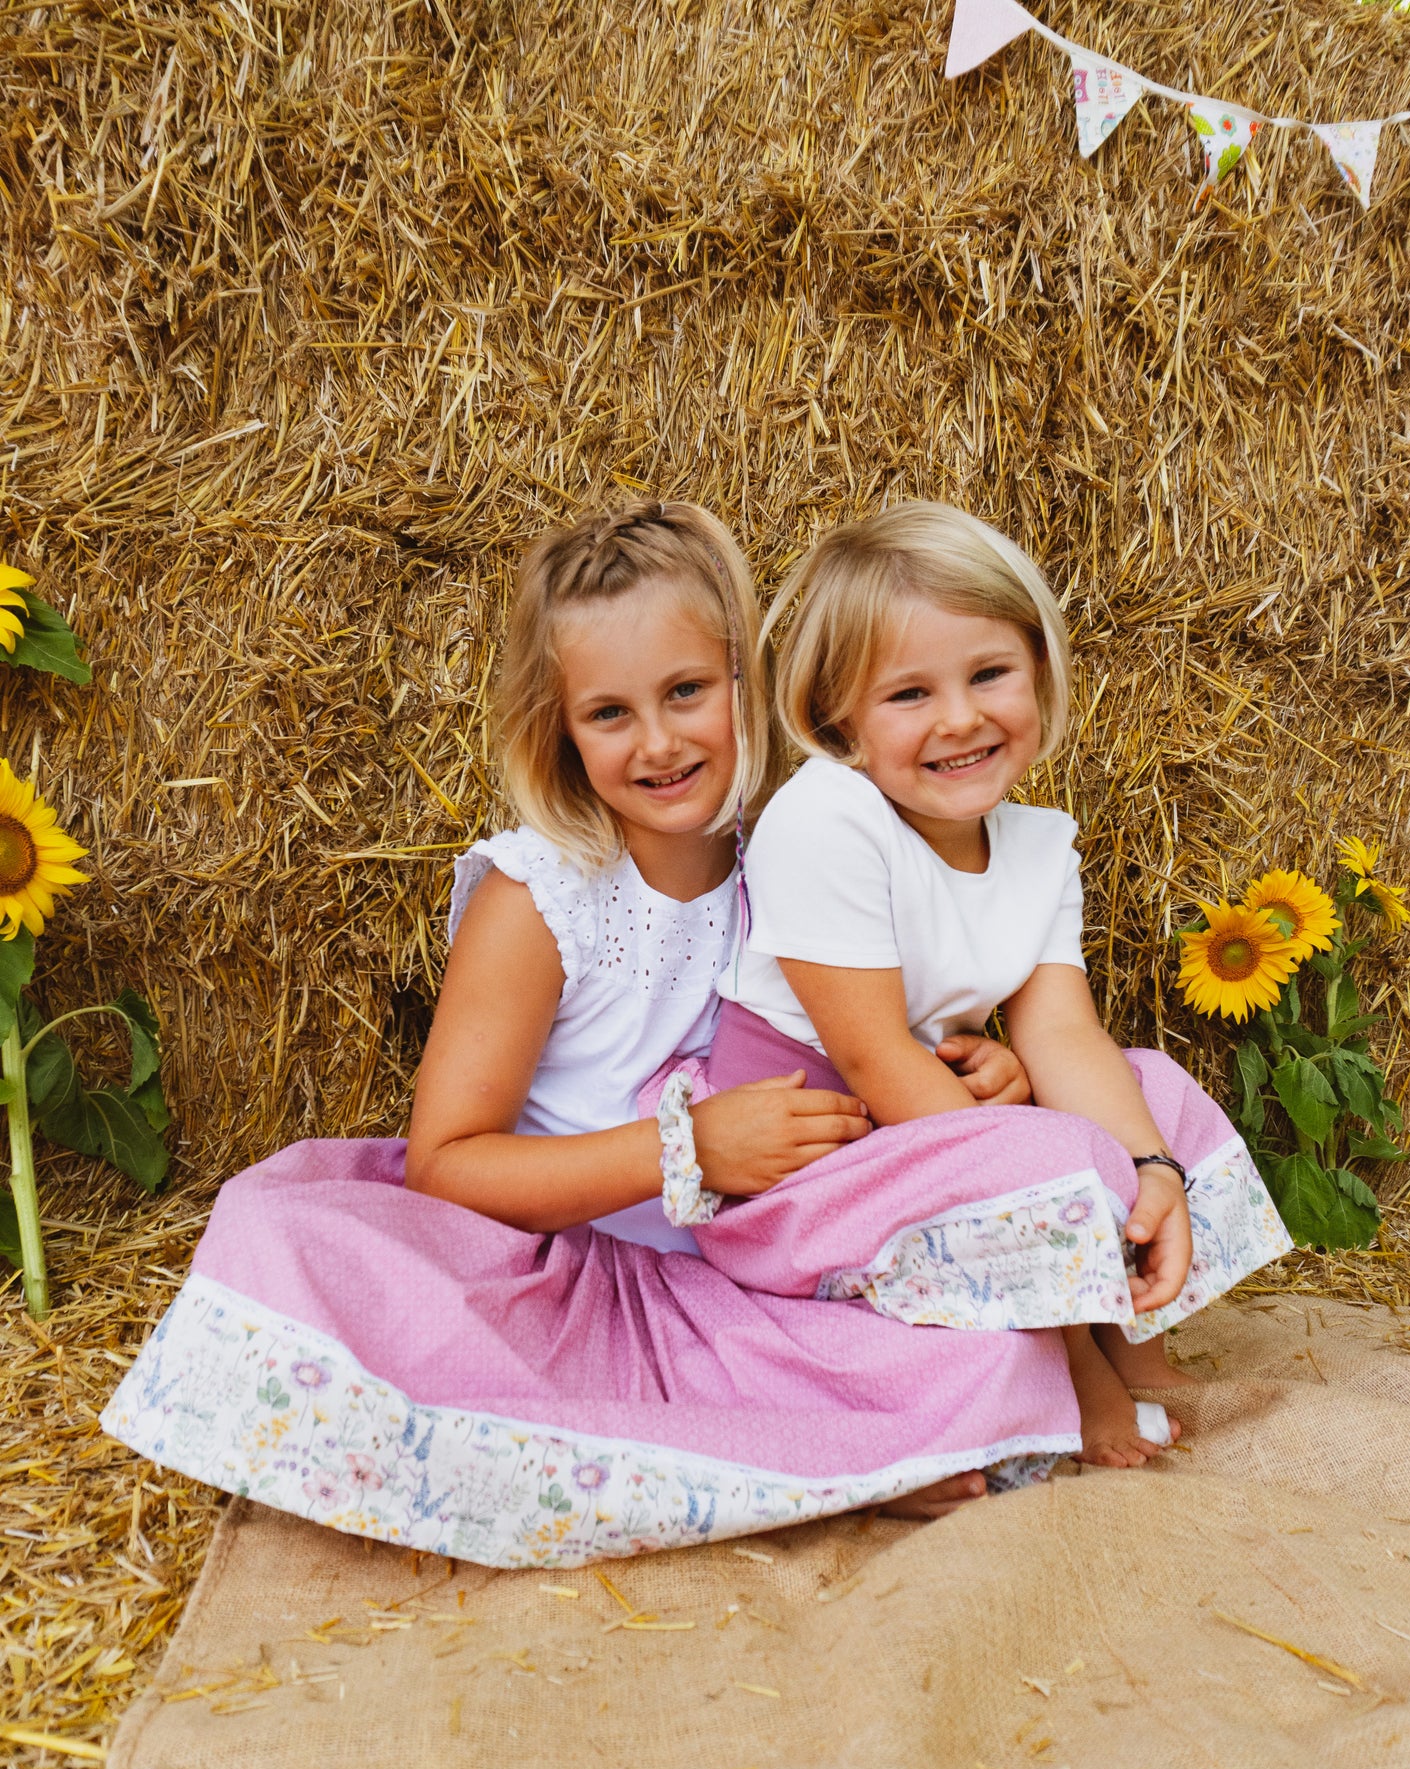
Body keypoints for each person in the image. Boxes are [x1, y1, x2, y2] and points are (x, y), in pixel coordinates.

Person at [102, 499, 1081, 1565]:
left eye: (687, 693)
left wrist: (986, 1061)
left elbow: (872, 1034)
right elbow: (442, 1164)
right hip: (576, 1268)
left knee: (995, 1364)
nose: (659, 741)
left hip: (759, 1272)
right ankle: (822, 1463)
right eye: (609, 714)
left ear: (750, 687)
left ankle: (824, 1457)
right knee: (294, 1248)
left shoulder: (807, 839)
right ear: (558, 729)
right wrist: (686, 1151)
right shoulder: (543, 898)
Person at [695, 501, 1293, 1467]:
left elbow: (1060, 1034)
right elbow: (874, 1054)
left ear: (1040, 673)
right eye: (908, 696)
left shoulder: (1039, 847)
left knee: (1148, 1091)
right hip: (811, 1168)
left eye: (988, 674)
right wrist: (1039, 1165)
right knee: (1043, 1153)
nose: (960, 718)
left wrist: (1152, 1173)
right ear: (836, 718)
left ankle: (1129, 1329)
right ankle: (1078, 1369)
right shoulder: (827, 817)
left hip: (926, 1133)